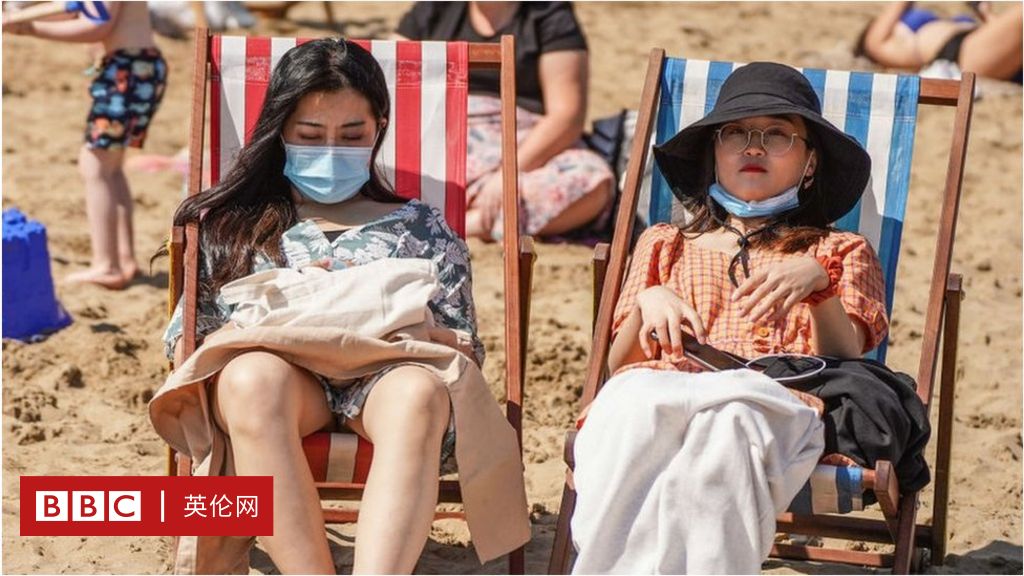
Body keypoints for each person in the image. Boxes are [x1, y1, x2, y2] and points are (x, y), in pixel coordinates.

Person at [156, 38, 528, 574]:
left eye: (352, 135)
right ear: (281, 131)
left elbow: (466, 346)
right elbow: (185, 342)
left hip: (387, 381)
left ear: (380, 126)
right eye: (310, 135)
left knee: (420, 392)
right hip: (282, 385)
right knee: (250, 379)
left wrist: (410, 330)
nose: (331, 150)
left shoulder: (420, 227)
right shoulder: (237, 224)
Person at [569, 62, 894, 573]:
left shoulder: (838, 251)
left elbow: (846, 356)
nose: (753, 147)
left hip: (771, 404)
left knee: (728, 426)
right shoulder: (664, 244)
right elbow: (618, 367)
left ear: (810, 163)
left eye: (777, 135)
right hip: (659, 394)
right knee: (629, 411)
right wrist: (649, 299)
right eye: (736, 133)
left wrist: (819, 285)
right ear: (714, 154)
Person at [395, 1, 615, 241]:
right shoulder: (436, 8)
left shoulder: (549, 14)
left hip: (524, 142)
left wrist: (507, 175)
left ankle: (463, 223)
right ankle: (474, 218)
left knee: (592, 179)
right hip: (445, 135)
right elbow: (385, 76)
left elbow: (566, 116)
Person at [3, 2, 168, 289]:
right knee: (111, 167)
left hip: (128, 70)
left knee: (94, 166)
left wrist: (30, 28)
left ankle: (107, 265)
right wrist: (19, 18)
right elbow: (76, 9)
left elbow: (97, 25)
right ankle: (124, 259)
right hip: (137, 67)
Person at [855, 1, 1022, 83]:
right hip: (963, 53)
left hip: (983, 49)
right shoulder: (879, 45)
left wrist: (985, 12)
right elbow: (874, 42)